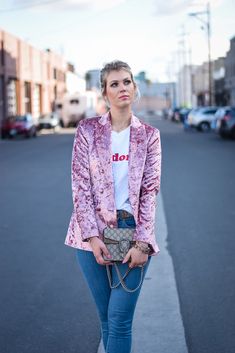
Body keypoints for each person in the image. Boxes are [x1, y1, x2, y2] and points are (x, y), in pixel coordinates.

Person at [65, 60, 162, 353]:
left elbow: (149, 191)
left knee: (119, 319)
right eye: (114, 84)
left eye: (127, 82)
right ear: (104, 92)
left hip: (132, 234)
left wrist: (143, 244)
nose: (122, 88)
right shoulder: (87, 131)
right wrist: (93, 238)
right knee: (106, 318)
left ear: (135, 88)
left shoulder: (149, 135)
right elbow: (80, 186)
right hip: (90, 235)